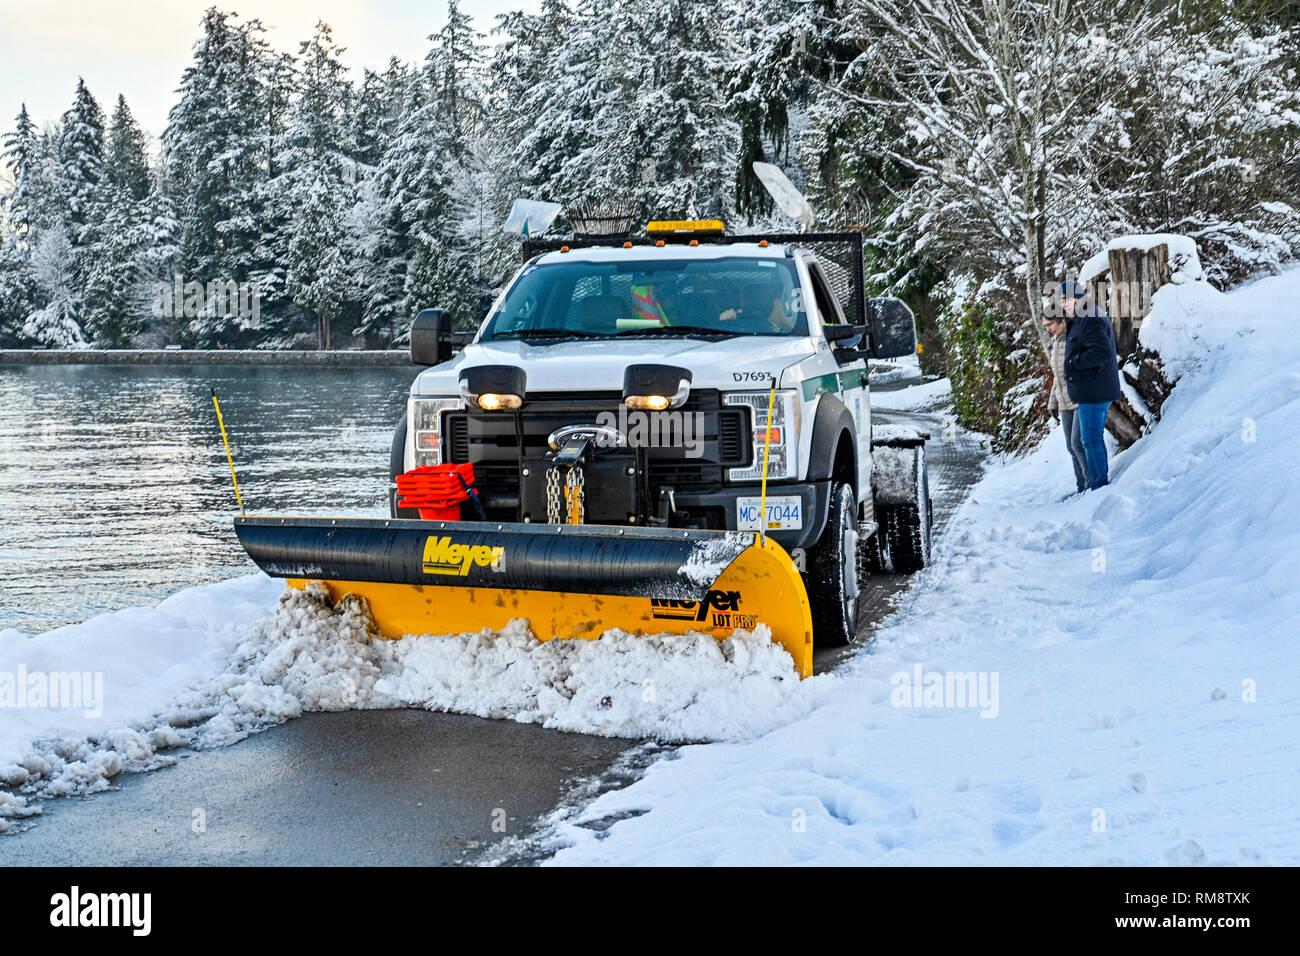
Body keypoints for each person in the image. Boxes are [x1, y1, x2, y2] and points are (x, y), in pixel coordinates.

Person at [1059, 279, 1122, 490]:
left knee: (1091, 440)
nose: (1064, 304)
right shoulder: (1080, 319)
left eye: (1067, 299)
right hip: (1088, 390)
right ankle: (1094, 484)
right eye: (1061, 301)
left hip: (1095, 390)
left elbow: (1102, 352)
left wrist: (1074, 362)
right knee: (1087, 440)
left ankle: (1099, 485)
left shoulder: (1091, 318)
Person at [1043, 310, 1088, 495]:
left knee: (1078, 444)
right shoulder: (1056, 343)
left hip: (1078, 399)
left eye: (1050, 325)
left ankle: (1090, 484)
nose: (1048, 329)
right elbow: (1058, 377)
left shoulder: (1074, 338)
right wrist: (1052, 402)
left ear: (1062, 321)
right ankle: (1081, 487)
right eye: (1045, 326)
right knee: (1070, 447)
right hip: (1063, 403)